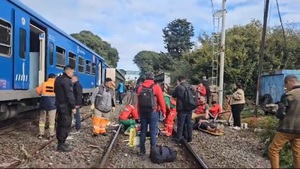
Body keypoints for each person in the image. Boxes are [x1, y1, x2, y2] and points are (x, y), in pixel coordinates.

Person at [268, 75, 300, 168]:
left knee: (273, 149)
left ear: (290, 82)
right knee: (297, 153)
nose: (286, 87)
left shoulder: (289, 95)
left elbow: (281, 113)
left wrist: (274, 111)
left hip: (287, 128)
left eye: (286, 85)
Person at [137, 72, 166, 158]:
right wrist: (164, 112)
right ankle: (153, 153)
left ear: (146, 78)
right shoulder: (156, 87)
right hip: (153, 112)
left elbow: (138, 103)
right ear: (153, 78)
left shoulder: (140, 87)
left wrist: (138, 113)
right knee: (153, 132)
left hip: (143, 112)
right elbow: (161, 101)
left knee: (143, 132)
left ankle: (142, 151)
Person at [54, 65, 76, 152]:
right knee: (65, 124)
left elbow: (55, 90)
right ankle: (61, 145)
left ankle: (61, 142)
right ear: (68, 72)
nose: (73, 74)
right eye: (72, 72)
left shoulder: (58, 79)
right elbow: (69, 94)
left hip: (59, 105)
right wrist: (73, 106)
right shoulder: (67, 81)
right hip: (66, 106)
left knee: (59, 123)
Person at [172, 75, 196, 143]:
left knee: (180, 124)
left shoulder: (179, 87)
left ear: (179, 81)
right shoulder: (191, 86)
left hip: (181, 108)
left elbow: (173, 95)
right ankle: (189, 138)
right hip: (189, 108)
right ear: (185, 80)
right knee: (189, 123)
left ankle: (179, 138)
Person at [36, 73, 56, 139]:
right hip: (52, 104)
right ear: (54, 78)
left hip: (43, 103)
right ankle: (51, 134)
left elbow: (38, 91)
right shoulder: (56, 84)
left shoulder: (43, 84)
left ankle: (41, 134)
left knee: (42, 119)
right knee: (51, 119)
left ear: (48, 78)